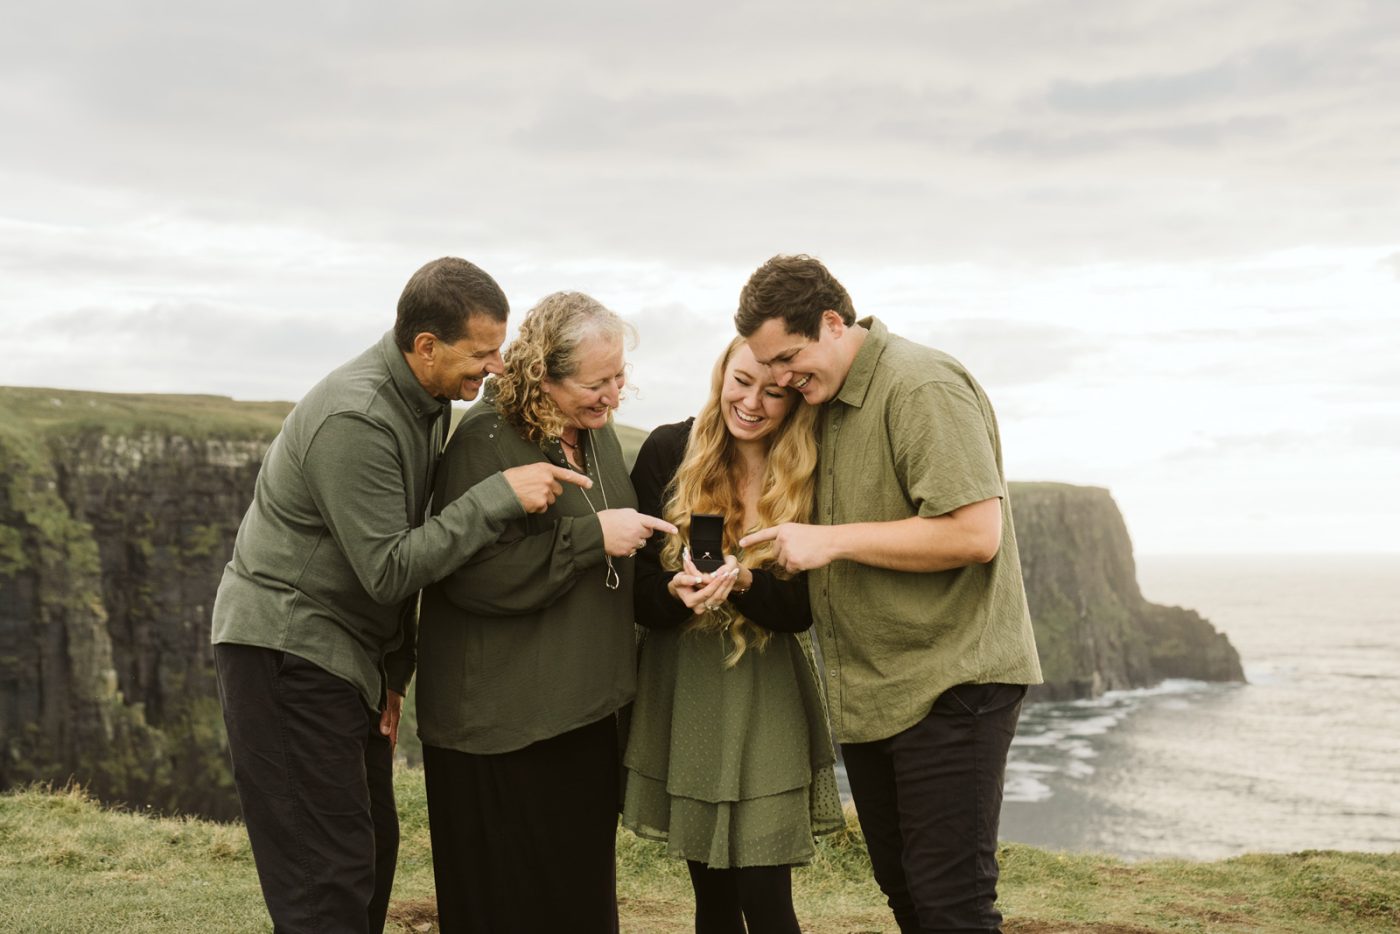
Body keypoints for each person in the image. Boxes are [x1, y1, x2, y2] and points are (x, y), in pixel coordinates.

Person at [210, 257, 589, 934]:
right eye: (482, 352)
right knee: (326, 878)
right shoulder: (357, 419)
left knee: (371, 853)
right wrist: (497, 498)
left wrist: (394, 668)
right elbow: (388, 567)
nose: (497, 366)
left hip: (345, 656)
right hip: (287, 651)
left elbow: (402, 542)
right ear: (426, 345)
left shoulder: (427, 402)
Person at [735, 255, 1043, 934]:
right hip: (876, 694)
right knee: (908, 898)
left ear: (832, 322)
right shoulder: (826, 400)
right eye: (767, 364)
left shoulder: (920, 386)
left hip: (951, 684)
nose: (780, 378)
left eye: (787, 357)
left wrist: (831, 542)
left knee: (952, 909)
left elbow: (974, 534)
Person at [414, 291, 675, 934]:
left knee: (577, 904)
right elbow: (469, 576)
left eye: (619, 377)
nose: (612, 395)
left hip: (583, 712)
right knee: (510, 909)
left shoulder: (595, 432)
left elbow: (617, 554)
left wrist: (673, 588)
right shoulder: (486, 439)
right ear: (543, 374)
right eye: (595, 383)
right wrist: (591, 538)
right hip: (502, 727)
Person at [623, 337, 845, 934]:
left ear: (794, 399)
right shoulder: (668, 449)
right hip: (684, 683)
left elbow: (803, 609)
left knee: (767, 896)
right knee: (714, 898)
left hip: (768, 683)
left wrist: (745, 581)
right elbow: (636, 591)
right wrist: (675, 592)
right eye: (741, 382)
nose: (751, 403)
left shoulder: (811, 466)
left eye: (773, 393)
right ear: (721, 374)